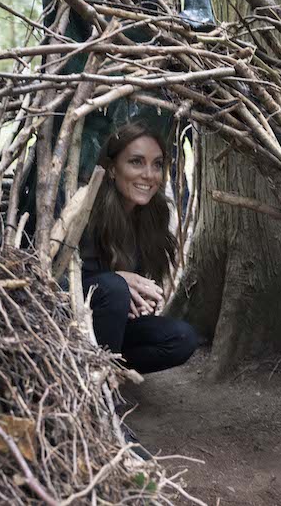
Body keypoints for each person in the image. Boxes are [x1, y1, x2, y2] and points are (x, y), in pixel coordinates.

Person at [80, 122, 199, 374]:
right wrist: (116, 282)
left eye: (156, 164)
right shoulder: (88, 214)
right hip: (74, 324)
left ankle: (110, 370)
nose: (149, 174)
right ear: (112, 169)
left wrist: (141, 300)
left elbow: (140, 280)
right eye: (136, 162)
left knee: (183, 338)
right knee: (114, 288)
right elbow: (57, 283)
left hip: (116, 328)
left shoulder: (153, 215)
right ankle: (96, 386)